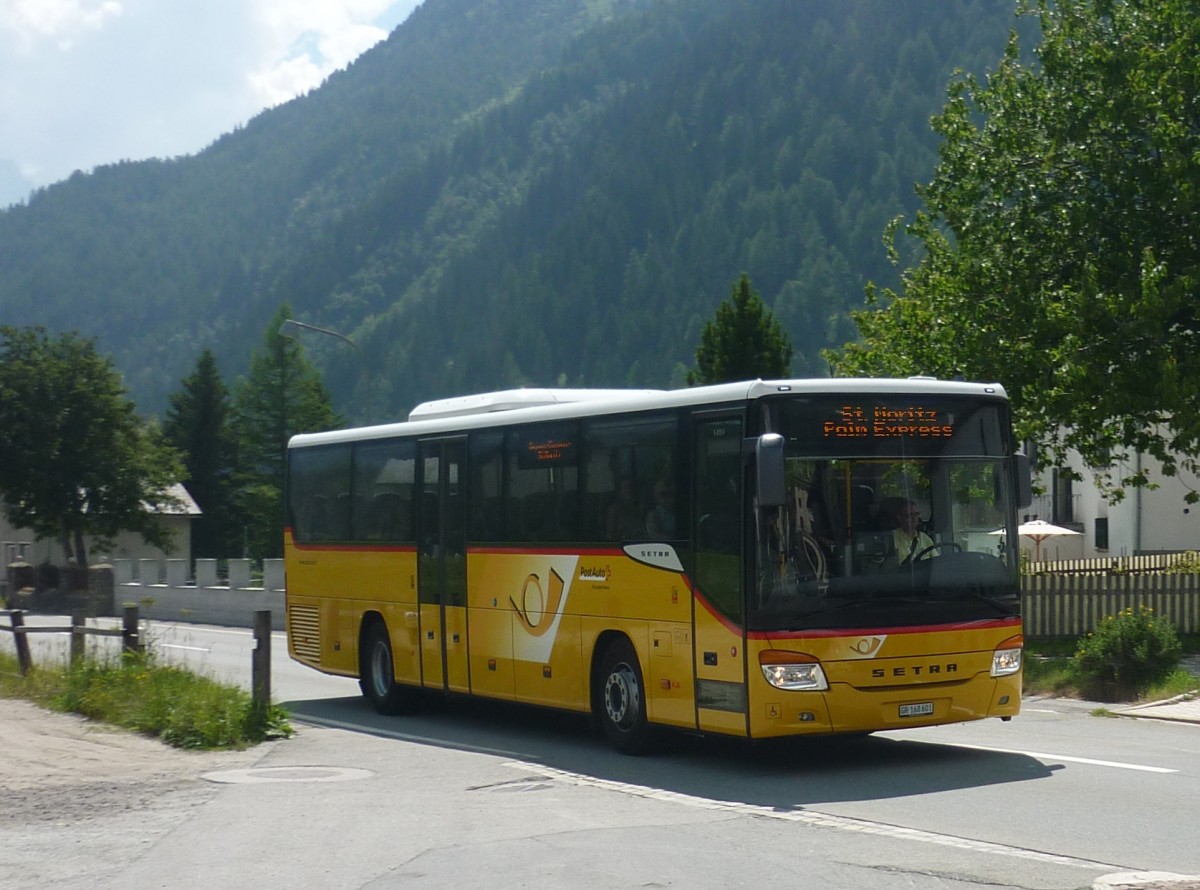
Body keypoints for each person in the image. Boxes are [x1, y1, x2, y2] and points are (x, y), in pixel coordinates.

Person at [885, 497, 934, 564]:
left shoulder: (925, 538)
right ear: (899, 518)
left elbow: (937, 563)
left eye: (916, 514)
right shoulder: (891, 539)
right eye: (909, 515)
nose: (914, 518)